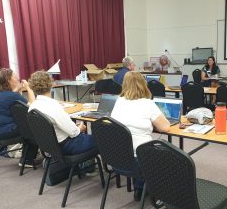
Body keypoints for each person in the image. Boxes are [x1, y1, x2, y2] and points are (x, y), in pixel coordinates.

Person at [111, 71, 170, 201]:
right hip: (142, 158)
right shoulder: (147, 103)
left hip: (121, 157)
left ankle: (139, 188)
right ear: (143, 84)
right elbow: (165, 127)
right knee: (167, 150)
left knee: (138, 147)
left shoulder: (119, 101)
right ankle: (159, 189)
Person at [28, 71, 97, 172]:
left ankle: (87, 167)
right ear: (51, 84)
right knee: (99, 139)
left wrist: (74, 127)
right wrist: (79, 128)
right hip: (66, 146)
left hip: (50, 147)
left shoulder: (32, 107)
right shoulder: (53, 106)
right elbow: (73, 133)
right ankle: (91, 169)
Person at [0, 68, 37, 167]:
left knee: (27, 121)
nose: (18, 78)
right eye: (15, 76)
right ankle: (27, 159)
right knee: (34, 125)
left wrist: (17, 90)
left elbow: (17, 103)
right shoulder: (10, 96)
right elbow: (32, 107)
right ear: (9, 80)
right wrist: (29, 88)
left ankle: (26, 153)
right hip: (1, 132)